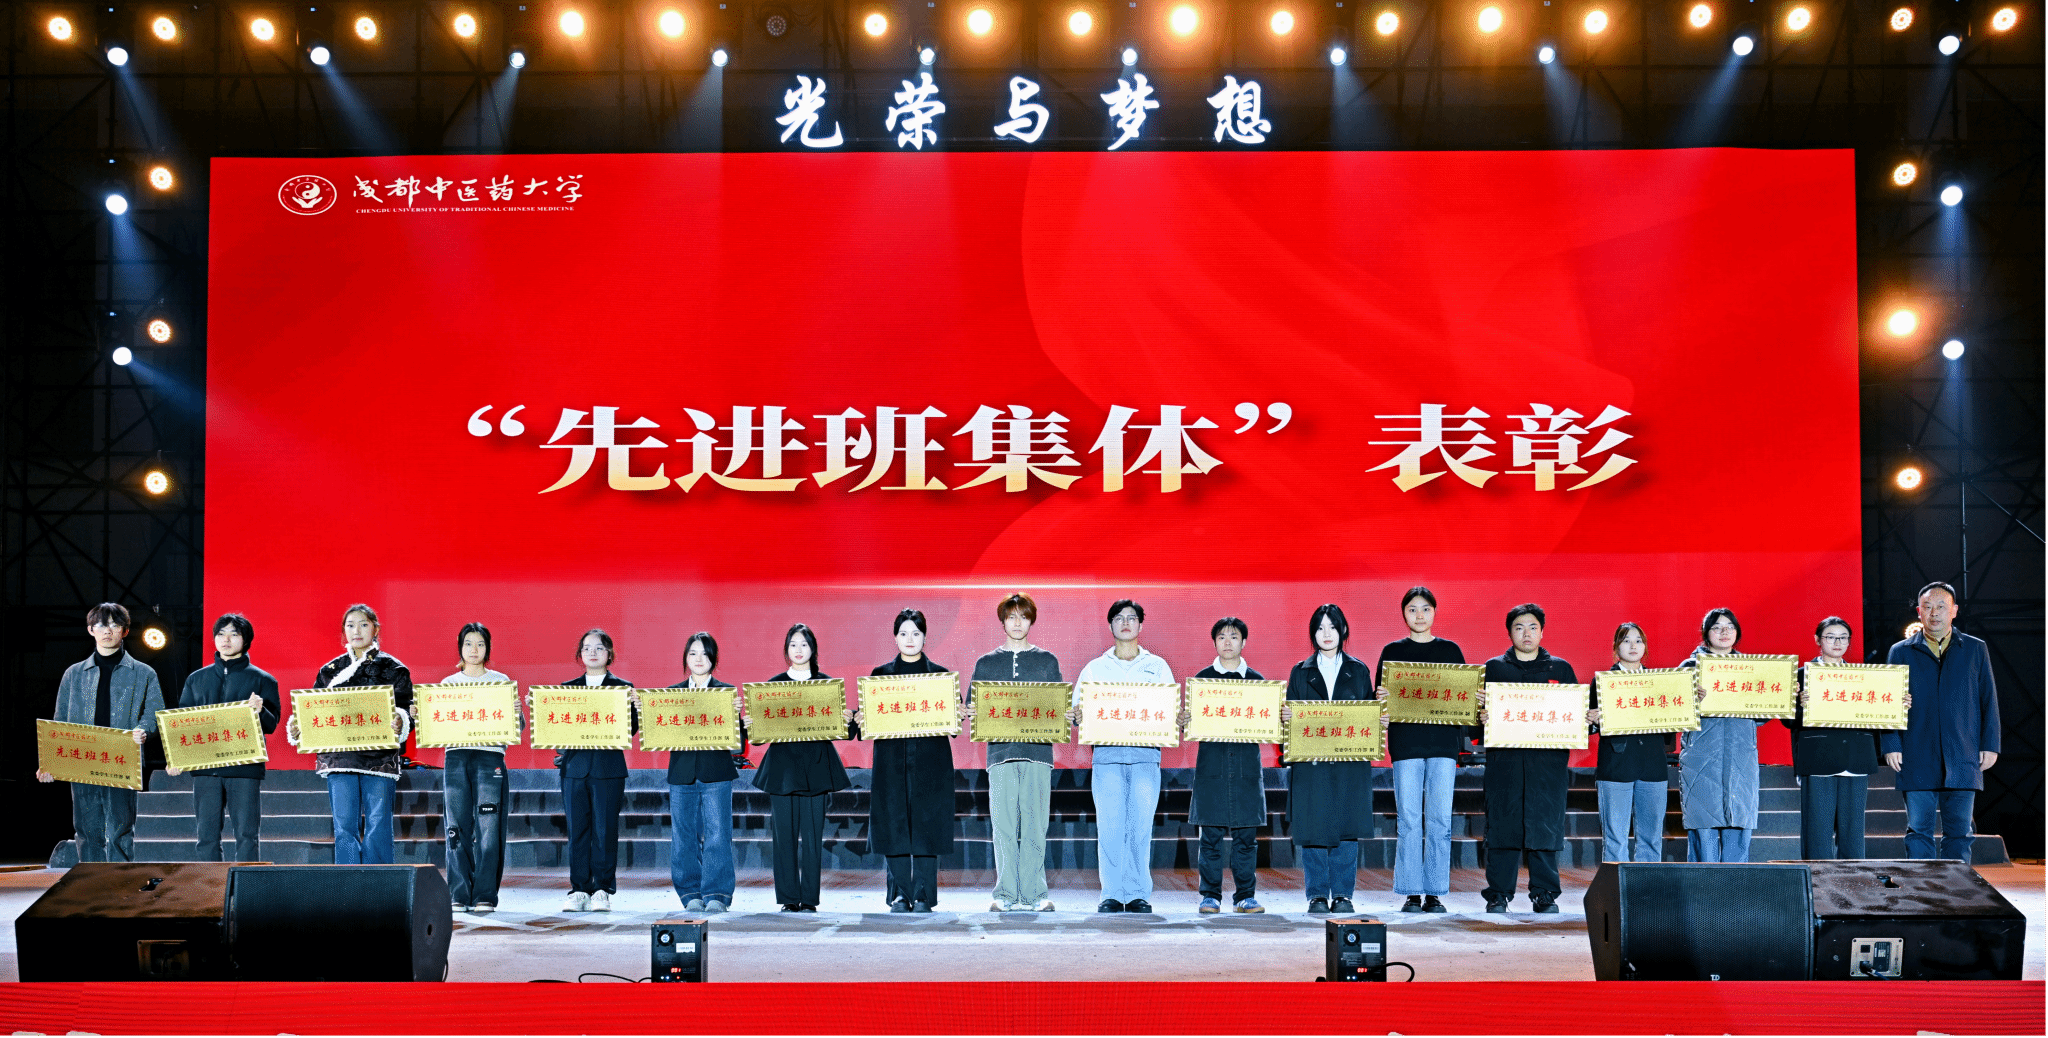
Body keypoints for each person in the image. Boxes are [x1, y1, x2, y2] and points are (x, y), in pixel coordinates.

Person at [284, 604, 413, 866]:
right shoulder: (329, 671)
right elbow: (314, 710)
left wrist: (400, 720)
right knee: (343, 826)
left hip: (379, 759)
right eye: (350, 625)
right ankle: (349, 881)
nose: (357, 631)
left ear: (375, 628)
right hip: (339, 759)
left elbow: (406, 709)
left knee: (378, 823)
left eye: (364, 624)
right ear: (344, 631)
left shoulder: (394, 669)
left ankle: (380, 881)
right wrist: (299, 728)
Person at [1881, 582, 2001, 861]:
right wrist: (1891, 744)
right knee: (1918, 830)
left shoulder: (1975, 648)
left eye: (1941, 607)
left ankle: (1957, 887)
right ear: (1919, 611)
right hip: (1916, 750)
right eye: (1927, 607)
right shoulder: (1900, 651)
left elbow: (1988, 699)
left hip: (1963, 751)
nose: (1934, 613)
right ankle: (1922, 886)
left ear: (1954, 611)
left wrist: (1990, 744)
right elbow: (1888, 701)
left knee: (1960, 832)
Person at [37, 603, 164, 863]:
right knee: (86, 830)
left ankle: (119, 883)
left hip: (122, 758)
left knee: (121, 830)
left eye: (115, 625)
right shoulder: (74, 674)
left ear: (125, 631)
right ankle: (91, 882)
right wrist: (50, 762)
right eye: (101, 625)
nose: (107, 631)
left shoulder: (143, 673)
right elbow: (59, 723)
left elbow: (154, 712)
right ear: (90, 630)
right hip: (83, 760)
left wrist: (143, 730)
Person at [1075, 599, 1174, 914]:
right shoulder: (1095, 668)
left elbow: (1169, 710)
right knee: (1110, 827)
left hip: (1146, 758)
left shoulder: (1157, 667)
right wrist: (1077, 714)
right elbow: (1078, 711)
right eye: (1119, 618)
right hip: (1107, 759)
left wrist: (1177, 716)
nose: (1126, 623)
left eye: (1132, 618)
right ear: (1111, 625)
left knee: (1140, 827)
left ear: (1141, 625)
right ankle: (1111, 893)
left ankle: (1137, 893)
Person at [857, 609, 958, 913]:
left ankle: (924, 894)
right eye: (903, 633)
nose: (910, 639)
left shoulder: (941, 677)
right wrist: (861, 718)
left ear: (925, 637)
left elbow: (953, 725)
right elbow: (866, 723)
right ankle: (900, 894)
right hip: (891, 763)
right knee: (894, 825)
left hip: (931, 763)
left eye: (916, 633)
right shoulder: (880, 676)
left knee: (927, 827)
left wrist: (958, 713)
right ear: (895, 637)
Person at [1479, 603, 1577, 914]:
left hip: (1547, 766)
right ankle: (1498, 894)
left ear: (1542, 632)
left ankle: (1544, 894)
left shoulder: (1560, 670)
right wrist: (1480, 716)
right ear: (1509, 633)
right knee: (1502, 826)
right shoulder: (1493, 669)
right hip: (1505, 765)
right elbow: (1475, 721)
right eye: (1519, 627)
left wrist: (1586, 718)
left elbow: (1575, 720)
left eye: (1533, 627)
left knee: (1544, 827)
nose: (1526, 633)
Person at [970, 592, 1061, 913]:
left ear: (1031, 621)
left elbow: (1057, 708)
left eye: (1023, 616)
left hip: (1038, 755)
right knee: (1004, 827)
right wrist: (970, 712)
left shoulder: (1048, 661)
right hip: (1000, 755)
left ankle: (1035, 893)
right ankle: (1006, 893)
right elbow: (974, 707)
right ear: (1003, 622)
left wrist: (1067, 713)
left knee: (1036, 825)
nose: (1017, 623)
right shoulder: (986, 663)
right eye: (1011, 617)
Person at [750, 623, 849, 912]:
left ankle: (809, 899)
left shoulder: (827, 685)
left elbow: (840, 729)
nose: (798, 649)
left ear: (812, 649)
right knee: (784, 838)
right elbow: (759, 735)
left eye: (804, 644)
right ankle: (789, 898)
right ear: (786, 649)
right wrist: (751, 725)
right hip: (782, 770)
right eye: (793, 644)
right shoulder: (772, 687)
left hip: (816, 768)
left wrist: (845, 719)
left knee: (813, 837)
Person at [1377, 587, 1463, 914]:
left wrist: (1475, 700)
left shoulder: (1451, 651)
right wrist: (1380, 700)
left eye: (1425, 609)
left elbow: (1463, 699)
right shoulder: (1392, 652)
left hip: (1443, 745)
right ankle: (1412, 891)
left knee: (1440, 820)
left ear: (1434, 612)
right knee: (1410, 819)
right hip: (1406, 744)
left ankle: (1435, 892)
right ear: (1404, 614)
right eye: (1412, 609)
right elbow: (1379, 702)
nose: (1419, 615)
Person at [1284, 604, 1375, 916]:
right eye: (1320, 628)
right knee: (1313, 827)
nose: (1327, 634)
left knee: (1346, 827)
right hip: (1311, 763)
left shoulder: (1359, 671)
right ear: (1313, 633)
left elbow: (1368, 716)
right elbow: (1290, 721)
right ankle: (1317, 895)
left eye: (1332, 627)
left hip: (1349, 763)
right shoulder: (1300, 671)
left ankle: (1344, 895)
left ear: (1343, 631)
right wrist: (1286, 718)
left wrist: (1378, 719)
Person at [167, 613, 279, 863]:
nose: (226, 640)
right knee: (206, 836)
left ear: (245, 640)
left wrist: (261, 710)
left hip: (244, 768)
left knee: (247, 835)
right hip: (206, 769)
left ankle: (248, 884)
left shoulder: (263, 680)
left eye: (233, 634)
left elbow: (272, 725)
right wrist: (175, 757)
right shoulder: (196, 679)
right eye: (221, 634)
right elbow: (182, 723)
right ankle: (210, 885)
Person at [1187, 616, 1266, 914]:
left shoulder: (1258, 682)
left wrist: (1279, 717)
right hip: (1213, 767)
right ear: (1215, 643)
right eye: (1221, 637)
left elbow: (1267, 725)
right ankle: (1210, 896)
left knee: (1247, 838)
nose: (1228, 642)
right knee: (1210, 838)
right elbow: (1192, 725)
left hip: (1246, 768)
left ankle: (1245, 896)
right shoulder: (1202, 681)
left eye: (1233, 636)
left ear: (1244, 641)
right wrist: (1185, 720)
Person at [554, 628, 635, 912]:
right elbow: (556, 726)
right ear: (580, 654)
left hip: (608, 769)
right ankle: (579, 889)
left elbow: (630, 729)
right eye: (587, 648)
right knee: (577, 831)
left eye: (599, 648)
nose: (592, 652)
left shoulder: (623, 689)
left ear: (609, 654)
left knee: (605, 830)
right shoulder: (566, 690)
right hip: (574, 768)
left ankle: (602, 889)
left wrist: (635, 707)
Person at [440, 622, 518, 913]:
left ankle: (485, 894)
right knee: (455, 827)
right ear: (460, 647)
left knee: (489, 827)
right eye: (468, 643)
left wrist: (517, 714)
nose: (474, 650)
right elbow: (438, 724)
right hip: (456, 758)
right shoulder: (448, 684)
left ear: (488, 648)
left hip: (489, 758)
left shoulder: (501, 682)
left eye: (480, 644)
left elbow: (516, 728)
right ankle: (459, 893)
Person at [1784, 617, 1878, 860]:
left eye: (1843, 638)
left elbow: (1876, 713)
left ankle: (1852, 880)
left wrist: (1898, 705)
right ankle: (1816, 881)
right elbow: (1787, 721)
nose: (1837, 643)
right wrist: (1797, 704)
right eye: (1831, 637)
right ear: (1818, 640)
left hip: (1855, 758)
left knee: (1853, 836)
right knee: (1817, 833)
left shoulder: (1864, 676)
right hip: (1818, 758)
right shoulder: (1800, 676)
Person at [1678, 608, 1763, 863]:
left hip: (1740, 758)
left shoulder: (1751, 669)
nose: (1724, 632)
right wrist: (1689, 699)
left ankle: (1733, 887)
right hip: (1701, 759)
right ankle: (1703, 887)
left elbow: (1763, 715)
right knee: (1703, 828)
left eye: (1730, 626)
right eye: (1717, 627)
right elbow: (1673, 711)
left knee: (1738, 824)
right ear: (1706, 633)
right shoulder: (1689, 668)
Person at [665, 632, 741, 913]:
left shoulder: (727, 694)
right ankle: (690, 893)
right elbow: (660, 733)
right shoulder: (670, 695)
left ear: (714, 659)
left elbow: (737, 742)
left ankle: (717, 894)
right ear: (685, 658)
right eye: (693, 653)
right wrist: (643, 710)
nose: (699, 659)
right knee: (683, 836)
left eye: (705, 653)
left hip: (716, 772)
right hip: (681, 772)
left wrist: (737, 717)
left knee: (718, 834)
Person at [1590, 622, 1669, 864]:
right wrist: (1593, 720)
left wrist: (1690, 702)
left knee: (1651, 838)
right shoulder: (1602, 682)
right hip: (1616, 765)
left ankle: (1648, 885)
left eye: (1638, 641)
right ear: (1616, 647)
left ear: (1645, 647)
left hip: (1653, 765)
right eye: (1626, 641)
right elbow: (1590, 725)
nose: (1633, 646)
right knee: (1615, 839)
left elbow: (1672, 722)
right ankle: (1617, 885)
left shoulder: (1660, 682)